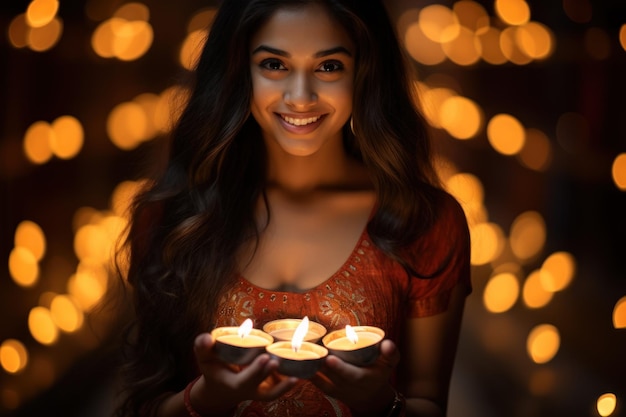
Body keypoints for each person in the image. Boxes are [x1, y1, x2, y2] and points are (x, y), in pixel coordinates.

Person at [115, 0, 471, 416]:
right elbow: (140, 404)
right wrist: (207, 399)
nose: (300, 97)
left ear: (365, 73)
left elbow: (429, 403)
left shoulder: (423, 222)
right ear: (238, 71)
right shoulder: (175, 219)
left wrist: (378, 403)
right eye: (274, 64)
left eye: (329, 67)